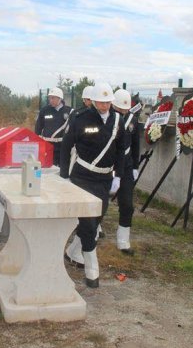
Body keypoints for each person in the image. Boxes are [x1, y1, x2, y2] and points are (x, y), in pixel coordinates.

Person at [60, 83, 126, 288]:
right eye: (101, 101)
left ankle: (74, 250)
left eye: (108, 102)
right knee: (88, 222)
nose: (105, 105)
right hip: (83, 177)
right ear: (94, 101)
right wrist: (64, 175)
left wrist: (119, 176)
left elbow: (121, 148)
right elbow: (66, 145)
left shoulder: (117, 120)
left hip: (104, 178)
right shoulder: (81, 119)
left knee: (97, 219)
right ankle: (91, 264)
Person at [111, 89, 140, 255]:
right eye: (119, 109)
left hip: (127, 167)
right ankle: (93, 233)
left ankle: (123, 241)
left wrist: (135, 166)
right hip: (109, 166)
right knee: (101, 203)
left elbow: (136, 145)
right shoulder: (108, 120)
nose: (123, 112)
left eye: (125, 109)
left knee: (127, 205)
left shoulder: (133, 121)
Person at [35, 87, 71, 167]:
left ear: (60, 98)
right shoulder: (44, 110)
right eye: (49, 98)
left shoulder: (69, 111)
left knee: (61, 169)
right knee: (47, 168)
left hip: (62, 147)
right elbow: (38, 128)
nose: (50, 100)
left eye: (53, 98)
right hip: (47, 146)